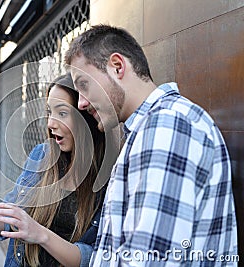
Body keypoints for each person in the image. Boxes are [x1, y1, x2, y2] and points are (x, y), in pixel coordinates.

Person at [65, 24, 238, 266]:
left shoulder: (167, 125)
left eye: (84, 84)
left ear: (117, 66)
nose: (81, 103)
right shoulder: (152, 127)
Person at [0, 73, 108, 266]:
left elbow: (93, 259)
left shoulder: (109, 177)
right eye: (49, 112)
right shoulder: (42, 156)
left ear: (86, 116)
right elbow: (8, 223)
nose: (50, 123)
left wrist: (40, 234)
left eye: (62, 113)